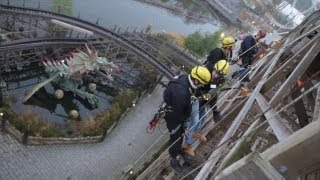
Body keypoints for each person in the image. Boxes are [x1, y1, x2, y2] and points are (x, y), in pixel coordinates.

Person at [163, 66, 211, 172]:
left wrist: (202, 96)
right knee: (175, 137)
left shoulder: (186, 79)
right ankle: (173, 158)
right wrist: (184, 124)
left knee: (180, 135)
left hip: (177, 109)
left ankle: (181, 151)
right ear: (196, 79)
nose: (202, 85)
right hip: (173, 116)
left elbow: (193, 92)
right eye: (202, 83)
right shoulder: (181, 93)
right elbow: (178, 113)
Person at [183, 60, 231, 156]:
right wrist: (202, 95)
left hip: (203, 99)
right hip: (195, 97)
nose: (216, 75)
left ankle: (196, 132)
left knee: (203, 115)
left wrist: (214, 109)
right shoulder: (204, 72)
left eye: (219, 75)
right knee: (195, 120)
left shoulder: (216, 80)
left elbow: (213, 92)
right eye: (216, 72)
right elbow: (195, 86)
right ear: (214, 68)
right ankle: (187, 144)